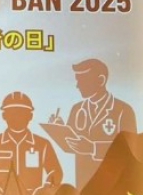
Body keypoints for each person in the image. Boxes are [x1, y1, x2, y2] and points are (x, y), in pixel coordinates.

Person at [53, 59, 137, 188]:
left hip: (113, 186)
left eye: (82, 81)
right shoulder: (77, 109)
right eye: (77, 80)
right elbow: (71, 145)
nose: (77, 86)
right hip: (83, 184)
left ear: (101, 80)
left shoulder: (123, 110)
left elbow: (130, 151)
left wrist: (93, 148)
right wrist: (60, 129)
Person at [0, 91, 62, 195]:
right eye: (12, 112)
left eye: (22, 112)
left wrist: (44, 190)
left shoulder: (43, 145)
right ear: (4, 116)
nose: (17, 117)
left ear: (30, 116)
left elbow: (56, 172)